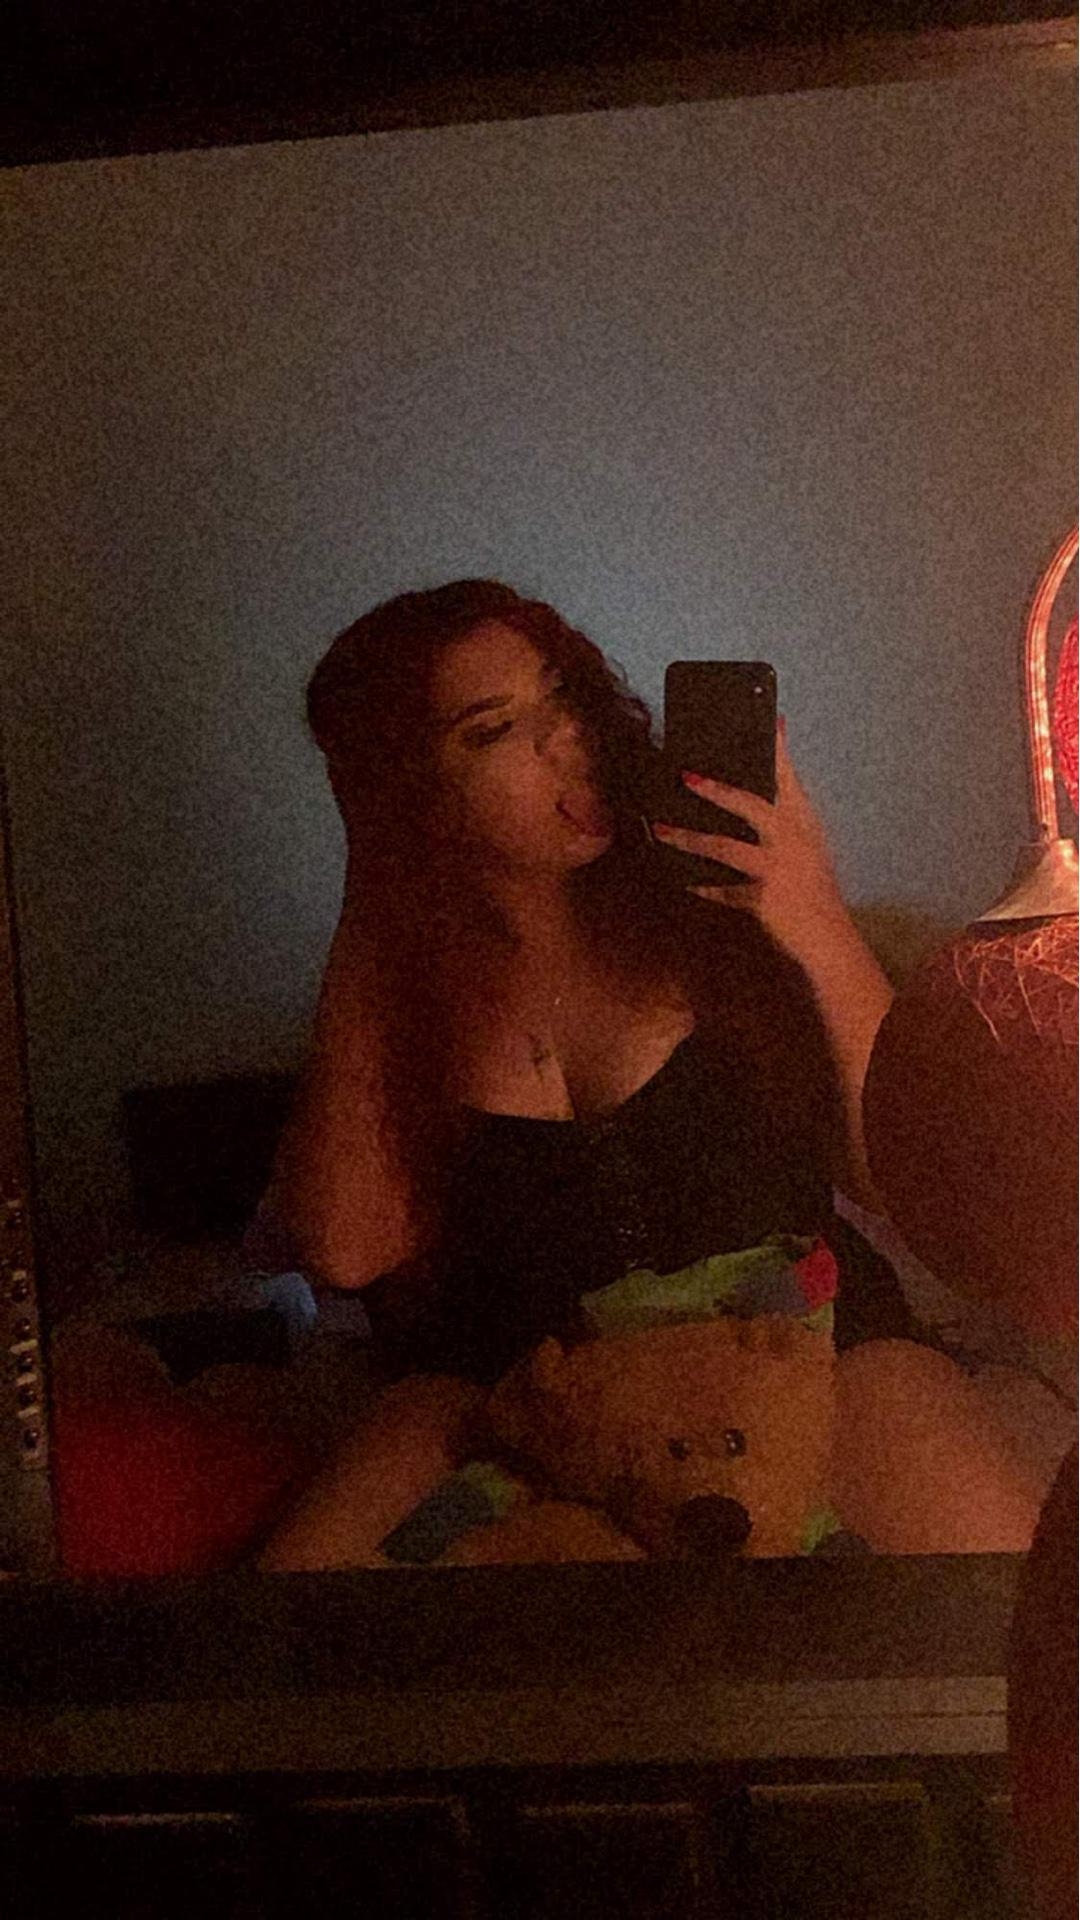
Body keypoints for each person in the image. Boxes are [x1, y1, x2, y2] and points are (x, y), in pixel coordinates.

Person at [253, 580, 1047, 1570]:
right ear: (414, 794)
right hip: (528, 1386)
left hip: (792, 1338)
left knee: (999, 1591)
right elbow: (344, 1251)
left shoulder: (713, 913)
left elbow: (908, 1173)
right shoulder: (402, 996)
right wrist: (373, 891)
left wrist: (813, 912)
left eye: (562, 696)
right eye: (495, 731)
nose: (567, 740)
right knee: (303, 1607)